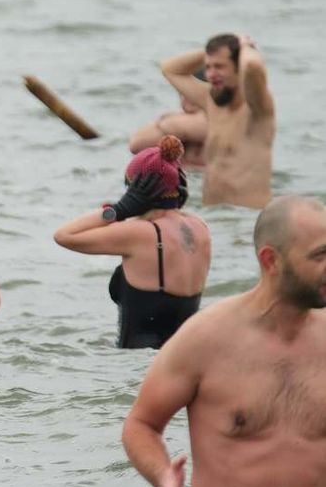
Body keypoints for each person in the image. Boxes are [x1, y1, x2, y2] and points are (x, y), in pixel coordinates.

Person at [121, 195, 326, 487]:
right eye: (319, 255)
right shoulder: (206, 339)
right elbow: (141, 424)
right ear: (271, 260)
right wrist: (161, 475)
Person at [55, 136, 211, 349]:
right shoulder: (200, 227)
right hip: (183, 356)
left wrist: (118, 210)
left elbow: (64, 235)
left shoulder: (140, 234)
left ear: (134, 190)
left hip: (137, 362)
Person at [160, 33, 275, 208]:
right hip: (216, 219)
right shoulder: (212, 101)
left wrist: (244, 46)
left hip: (247, 219)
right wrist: (213, 53)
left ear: (238, 68)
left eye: (220, 66)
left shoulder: (258, 107)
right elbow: (169, 69)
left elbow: (252, 66)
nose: (211, 74)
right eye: (208, 67)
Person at [129, 83, 208, 169]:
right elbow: (136, 145)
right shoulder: (176, 122)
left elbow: (175, 126)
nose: (186, 98)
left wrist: (166, 121)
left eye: (191, 92)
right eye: (182, 92)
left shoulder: (217, 121)